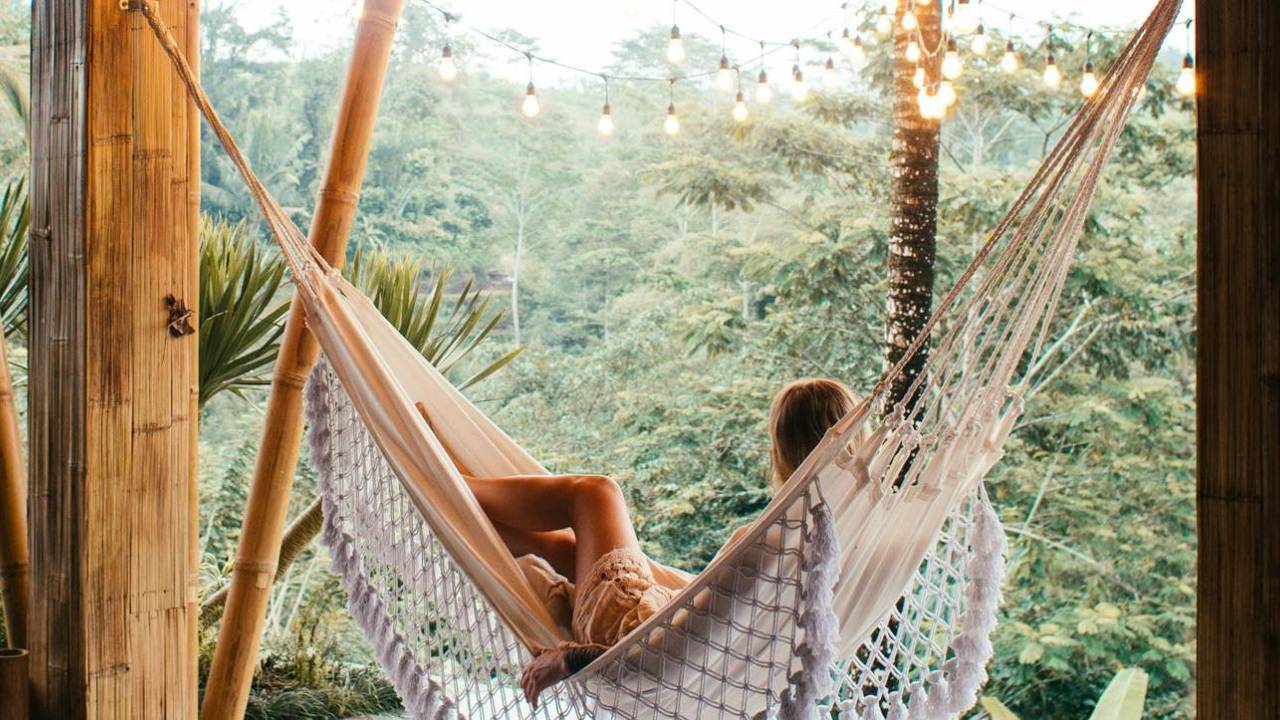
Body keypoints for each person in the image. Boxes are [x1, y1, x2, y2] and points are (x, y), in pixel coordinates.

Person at [418, 377, 858, 708]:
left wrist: (570, 660)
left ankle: (443, 472)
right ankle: (447, 494)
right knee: (558, 549)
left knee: (596, 493)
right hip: (650, 627)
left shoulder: (771, 542)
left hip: (627, 629)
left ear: (781, 449)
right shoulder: (836, 542)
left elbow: (684, 638)